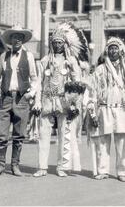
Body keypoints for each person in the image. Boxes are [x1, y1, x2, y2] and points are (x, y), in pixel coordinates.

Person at [33, 22, 89, 177]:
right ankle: (42, 167)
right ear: (51, 44)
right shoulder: (44, 61)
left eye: (60, 42)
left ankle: (61, 167)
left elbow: (77, 83)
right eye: (55, 42)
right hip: (47, 100)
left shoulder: (70, 62)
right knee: (43, 134)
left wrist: (74, 102)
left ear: (65, 44)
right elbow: (38, 82)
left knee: (64, 134)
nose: (57, 45)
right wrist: (37, 101)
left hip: (64, 101)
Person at [0, 25, 38, 177]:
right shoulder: (3, 56)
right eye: (14, 37)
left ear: (23, 40)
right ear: (10, 39)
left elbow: (35, 79)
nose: (16, 40)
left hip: (21, 99)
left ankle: (15, 165)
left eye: (19, 37)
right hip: (5, 99)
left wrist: (30, 95)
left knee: (19, 134)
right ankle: (0, 164)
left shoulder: (29, 56)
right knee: (2, 134)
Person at [85, 37, 125, 182]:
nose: (113, 50)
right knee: (103, 142)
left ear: (120, 50)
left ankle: (122, 171)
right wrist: (92, 111)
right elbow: (92, 92)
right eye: (111, 48)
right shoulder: (100, 69)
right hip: (104, 108)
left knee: (122, 143)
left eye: (116, 48)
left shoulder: (124, 68)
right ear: (107, 51)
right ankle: (103, 170)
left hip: (121, 109)